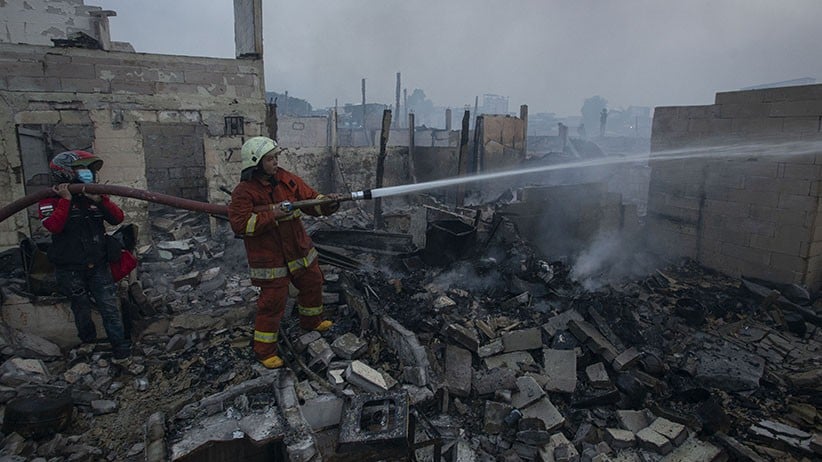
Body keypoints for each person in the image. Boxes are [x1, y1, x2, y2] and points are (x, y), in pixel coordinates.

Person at [228, 136, 340, 369]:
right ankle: (265, 351)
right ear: (256, 163)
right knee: (272, 303)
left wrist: (328, 203)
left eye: (276, 157)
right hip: (271, 258)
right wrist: (273, 215)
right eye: (270, 159)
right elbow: (240, 224)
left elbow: (310, 200)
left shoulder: (285, 180)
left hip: (298, 250)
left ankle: (311, 322)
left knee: (313, 282)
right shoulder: (244, 192)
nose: (275, 163)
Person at [38, 151, 132, 362]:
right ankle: (88, 347)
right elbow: (53, 226)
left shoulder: (93, 196)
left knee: (109, 307)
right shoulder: (48, 199)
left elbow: (117, 218)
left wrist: (100, 200)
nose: (88, 173)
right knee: (81, 309)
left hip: (98, 264)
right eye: (82, 169)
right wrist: (65, 200)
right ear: (65, 172)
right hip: (70, 268)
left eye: (89, 170)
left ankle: (121, 348)